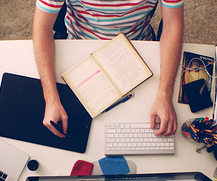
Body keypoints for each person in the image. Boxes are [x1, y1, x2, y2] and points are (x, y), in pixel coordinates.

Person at [32, 0, 184, 138]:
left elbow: (172, 25)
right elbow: (41, 28)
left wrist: (165, 94)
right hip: (81, 47)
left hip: (137, 48)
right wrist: (51, 100)